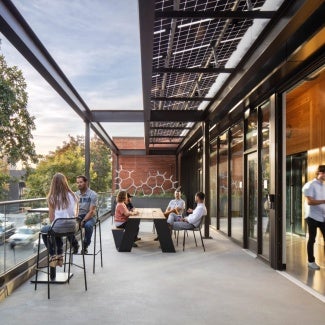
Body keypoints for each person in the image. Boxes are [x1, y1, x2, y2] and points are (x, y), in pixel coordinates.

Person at [41, 173, 79, 267]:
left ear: (53, 184)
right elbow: (76, 214)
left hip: (59, 226)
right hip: (73, 227)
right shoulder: (74, 195)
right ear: (65, 182)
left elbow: (51, 217)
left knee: (46, 230)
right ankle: (60, 255)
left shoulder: (52, 197)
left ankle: (53, 255)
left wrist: (54, 223)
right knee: (57, 227)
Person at [302, 165, 325, 270]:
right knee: (312, 239)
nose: (324, 175)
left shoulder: (323, 186)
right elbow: (310, 201)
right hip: (311, 217)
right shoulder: (310, 185)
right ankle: (311, 262)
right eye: (323, 172)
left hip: (322, 216)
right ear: (318, 173)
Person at [75, 175, 98, 254]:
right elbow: (73, 209)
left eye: (81, 182)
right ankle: (74, 244)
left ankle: (85, 246)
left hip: (90, 216)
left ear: (86, 182)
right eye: (77, 182)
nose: (79, 184)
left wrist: (84, 221)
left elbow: (91, 211)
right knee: (67, 225)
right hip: (78, 216)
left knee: (88, 225)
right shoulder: (75, 194)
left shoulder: (93, 194)